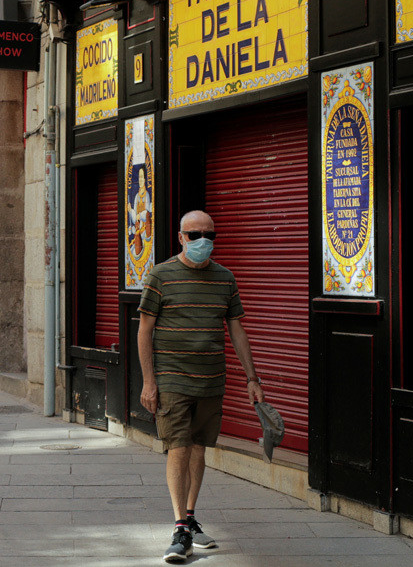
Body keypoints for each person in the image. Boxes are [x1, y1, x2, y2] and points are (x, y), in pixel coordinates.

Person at [137, 210, 265, 563]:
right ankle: (180, 529)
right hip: (172, 379)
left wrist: (252, 378)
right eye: (194, 235)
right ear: (181, 237)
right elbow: (144, 330)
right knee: (178, 447)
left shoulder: (225, 278)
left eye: (209, 234)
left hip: (211, 380)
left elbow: (237, 329)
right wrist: (149, 382)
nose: (202, 241)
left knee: (198, 449)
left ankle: (191, 518)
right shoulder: (160, 275)